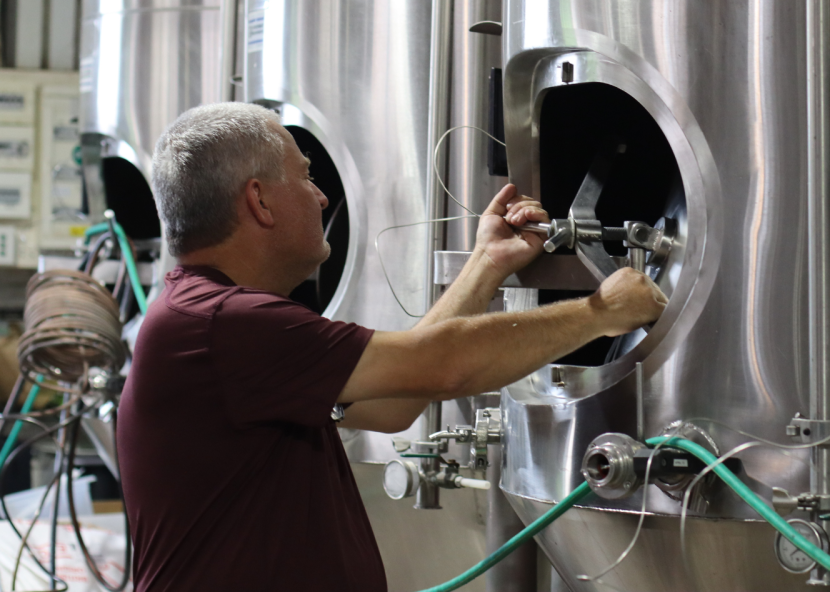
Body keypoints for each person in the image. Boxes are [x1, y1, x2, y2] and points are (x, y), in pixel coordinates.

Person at [116, 102, 667, 592]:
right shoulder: (222, 324)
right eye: (306, 176)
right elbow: (443, 366)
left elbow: (398, 401)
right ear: (259, 200)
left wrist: (486, 266)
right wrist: (602, 312)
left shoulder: (218, 322)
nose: (322, 194)